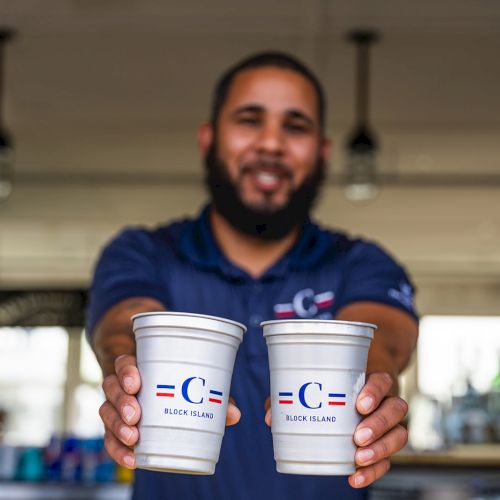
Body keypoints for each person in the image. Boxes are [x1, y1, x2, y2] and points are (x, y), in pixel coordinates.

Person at [87, 51, 419, 500]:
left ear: (322, 152)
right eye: (249, 120)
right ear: (208, 139)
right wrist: (125, 378)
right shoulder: (143, 254)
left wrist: (373, 394)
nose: (271, 143)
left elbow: (381, 345)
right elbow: (122, 330)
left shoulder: (362, 263)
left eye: (295, 126)